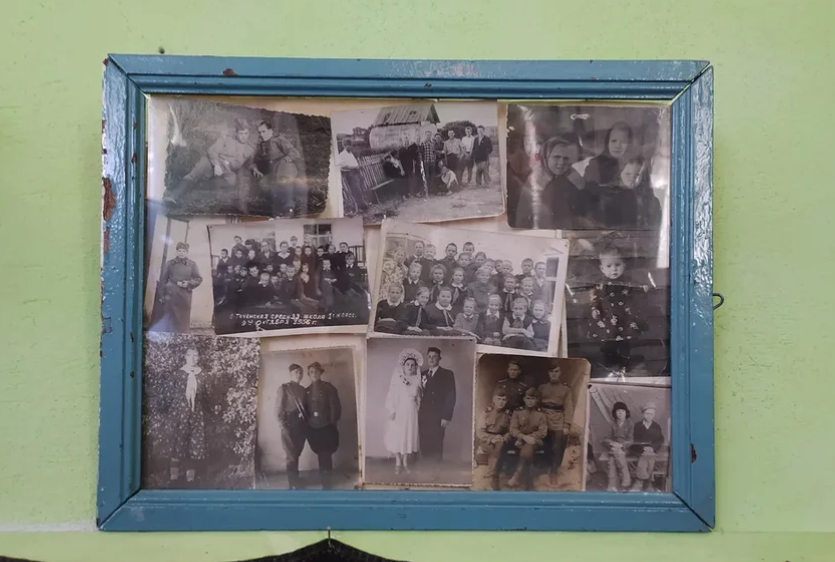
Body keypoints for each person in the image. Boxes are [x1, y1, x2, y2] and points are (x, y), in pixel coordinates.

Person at [586, 246, 648, 375]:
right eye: (609, 266)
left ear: (624, 266)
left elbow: (637, 291)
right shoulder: (600, 284)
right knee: (608, 346)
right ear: (602, 268)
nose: (614, 269)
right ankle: (611, 367)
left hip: (624, 320)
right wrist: (594, 308)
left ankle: (623, 366)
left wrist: (643, 288)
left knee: (625, 344)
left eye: (617, 265)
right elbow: (595, 299)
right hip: (607, 321)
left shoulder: (628, 282)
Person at [166, 119, 254, 203]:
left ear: (249, 133)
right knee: (196, 171)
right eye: (241, 133)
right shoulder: (226, 139)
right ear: (236, 133)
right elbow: (211, 150)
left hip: (227, 170)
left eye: (246, 133)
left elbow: (244, 163)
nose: (243, 136)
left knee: (232, 181)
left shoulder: (249, 149)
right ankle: (173, 197)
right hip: (211, 162)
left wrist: (254, 168)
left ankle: (200, 185)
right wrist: (216, 165)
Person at [523, 136, 585, 230]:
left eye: (566, 158)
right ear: (546, 157)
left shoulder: (574, 180)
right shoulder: (535, 182)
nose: (561, 162)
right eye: (557, 157)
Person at [167, 347, 209, 486]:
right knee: (178, 441)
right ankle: (174, 476)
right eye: (190, 355)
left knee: (193, 443)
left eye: (195, 355)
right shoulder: (178, 374)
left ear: (199, 358)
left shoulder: (203, 375)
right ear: (185, 357)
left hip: (196, 413)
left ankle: (190, 478)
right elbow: (170, 394)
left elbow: (206, 395)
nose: (192, 358)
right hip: (179, 413)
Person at [384, 349, 423, 475]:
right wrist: (392, 410)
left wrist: (417, 408)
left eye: (412, 365)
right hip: (399, 410)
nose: (410, 367)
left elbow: (419, 398)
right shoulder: (398, 378)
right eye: (408, 364)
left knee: (408, 435)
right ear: (404, 366)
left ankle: (405, 461)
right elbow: (391, 394)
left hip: (411, 412)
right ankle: (398, 461)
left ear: (415, 367)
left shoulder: (417, 380)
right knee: (397, 435)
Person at [251, 121, 302, 216]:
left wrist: (286, 159)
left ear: (270, 131)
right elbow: (255, 160)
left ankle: (289, 208)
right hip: (273, 170)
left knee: (283, 180)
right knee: (263, 184)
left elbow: (294, 152)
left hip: (285, 165)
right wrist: (255, 168)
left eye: (264, 131)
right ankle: (279, 208)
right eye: (260, 132)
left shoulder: (279, 139)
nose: (261, 134)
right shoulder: (261, 145)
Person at [304, 362, 341, 489]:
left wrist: (332, 423)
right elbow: (305, 410)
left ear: (321, 373)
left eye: (316, 371)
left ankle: (327, 483)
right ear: (308, 374)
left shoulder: (328, 387)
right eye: (311, 372)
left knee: (325, 453)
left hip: (326, 425)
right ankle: (324, 479)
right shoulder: (307, 391)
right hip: (313, 427)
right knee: (320, 452)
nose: (314, 374)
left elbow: (335, 407)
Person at [504, 387, 548, 490]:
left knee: (528, 447)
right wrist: (523, 437)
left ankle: (516, 476)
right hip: (520, 440)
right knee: (527, 451)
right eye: (528, 398)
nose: (530, 401)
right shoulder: (518, 412)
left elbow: (543, 432)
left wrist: (529, 437)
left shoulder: (541, 414)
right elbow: (513, 429)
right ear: (524, 399)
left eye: (533, 399)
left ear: (536, 400)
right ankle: (529, 482)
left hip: (535, 441)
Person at [419, 347, 456, 464]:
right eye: (429, 356)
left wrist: (446, 416)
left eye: (434, 357)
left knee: (437, 442)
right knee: (424, 442)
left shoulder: (447, 374)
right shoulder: (422, 374)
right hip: (424, 415)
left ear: (440, 358)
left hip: (438, 415)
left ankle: (435, 470)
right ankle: (426, 467)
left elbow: (451, 396)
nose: (431, 359)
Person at [537, 362, 575, 479]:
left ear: (560, 373)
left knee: (557, 446)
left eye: (556, 372)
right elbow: (536, 405)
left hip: (558, 419)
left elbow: (568, 408)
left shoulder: (565, 389)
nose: (554, 374)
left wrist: (566, 425)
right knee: (545, 445)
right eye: (551, 372)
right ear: (548, 373)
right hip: (543, 419)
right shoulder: (542, 388)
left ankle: (554, 470)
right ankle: (545, 468)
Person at [156, 242, 203, 333]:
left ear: (187, 252)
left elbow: (198, 279)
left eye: (184, 251)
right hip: (171, 295)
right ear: (176, 251)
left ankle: (182, 338)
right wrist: (162, 295)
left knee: (183, 320)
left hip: (185, 296)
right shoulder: (170, 264)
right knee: (170, 321)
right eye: (180, 251)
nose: (181, 253)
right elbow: (163, 280)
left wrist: (188, 283)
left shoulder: (192, 264)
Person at [277, 363, 308, 489]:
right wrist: (282, 424)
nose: (299, 375)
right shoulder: (284, 388)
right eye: (296, 372)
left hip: (300, 424)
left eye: (301, 372)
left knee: (297, 452)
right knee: (291, 454)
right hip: (288, 423)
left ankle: (296, 478)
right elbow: (278, 408)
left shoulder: (303, 390)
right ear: (290, 375)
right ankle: (293, 483)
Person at [476, 388, 512, 490]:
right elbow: (480, 431)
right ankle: (495, 474)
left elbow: (511, 431)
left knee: (500, 446)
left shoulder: (508, 414)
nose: (501, 402)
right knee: (497, 450)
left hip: (501, 440)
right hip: (487, 440)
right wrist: (492, 438)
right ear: (494, 399)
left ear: (506, 401)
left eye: (504, 400)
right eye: (499, 399)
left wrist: (504, 438)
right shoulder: (486, 412)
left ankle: (493, 475)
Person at [603, 401, 633, 491]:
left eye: (623, 411)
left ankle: (616, 483)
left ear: (626, 413)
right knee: (612, 460)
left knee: (616, 456)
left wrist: (621, 445)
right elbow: (606, 438)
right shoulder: (611, 423)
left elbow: (631, 440)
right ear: (615, 413)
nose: (620, 413)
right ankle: (619, 484)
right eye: (618, 411)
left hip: (625, 449)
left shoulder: (630, 423)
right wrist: (612, 443)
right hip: (613, 448)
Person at [337, 139, 370, 212]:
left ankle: (364, 203)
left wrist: (359, 167)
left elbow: (354, 163)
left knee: (362, 188)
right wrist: (355, 167)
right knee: (357, 190)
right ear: (344, 146)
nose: (350, 147)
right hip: (350, 174)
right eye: (348, 145)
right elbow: (343, 167)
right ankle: (361, 207)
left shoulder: (350, 153)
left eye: (351, 145)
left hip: (357, 172)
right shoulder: (342, 155)